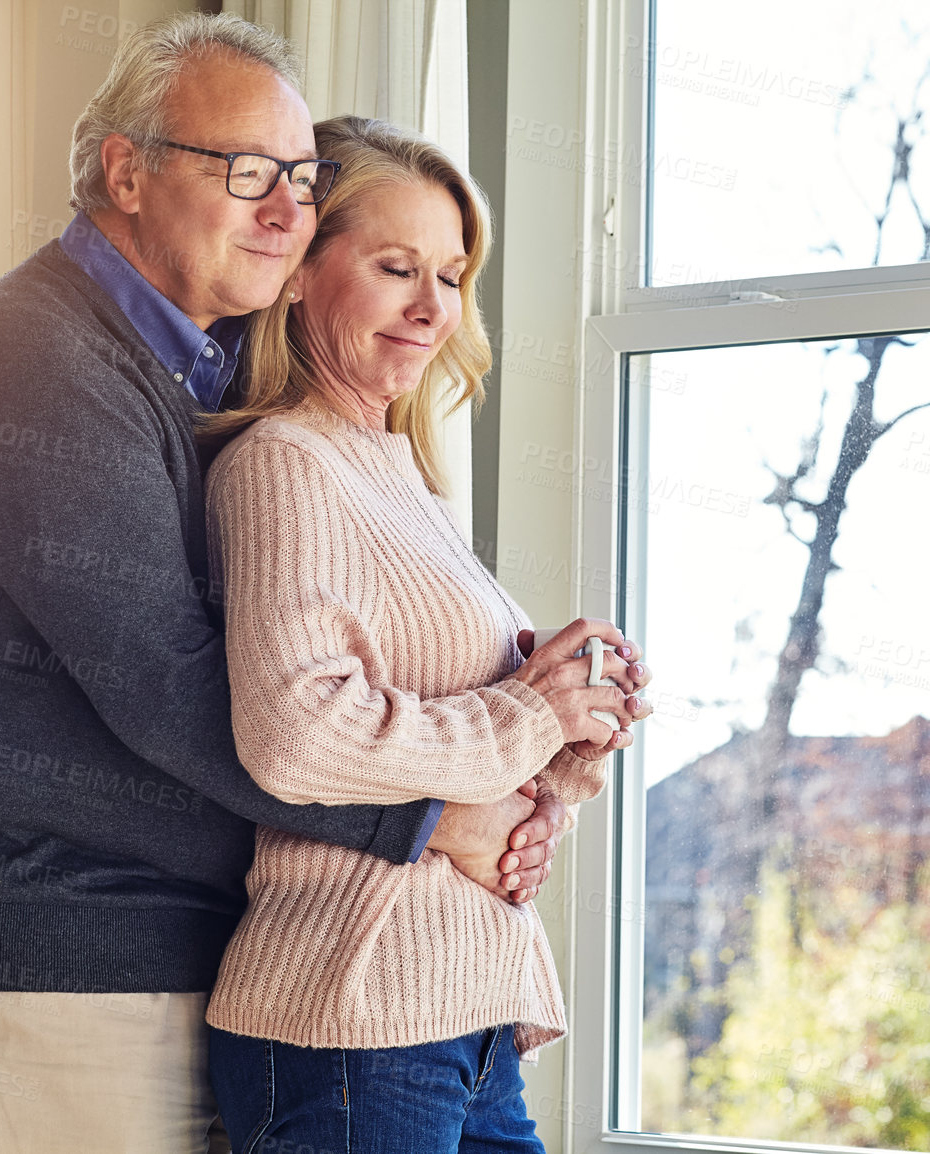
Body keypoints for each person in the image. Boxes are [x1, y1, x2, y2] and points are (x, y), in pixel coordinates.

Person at [0, 16, 568, 1153]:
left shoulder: (214, 374)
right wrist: (434, 816)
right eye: (245, 173)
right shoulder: (38, 362)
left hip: (180, 950)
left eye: (298, 177)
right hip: (46, 957)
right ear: (125, 171)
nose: (284, 209)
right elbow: (180, 691)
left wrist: (521, 765)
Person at [198, 116, 654, 1153]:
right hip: (354, 1019)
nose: (432, 306)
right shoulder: (281, 462)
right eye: (397, 267)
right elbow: (299, 731)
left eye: (450, 274)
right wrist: (528, 710)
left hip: (463, 1017)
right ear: (302, 270)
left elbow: (459, 753)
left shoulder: (401, 472)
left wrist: (559, 755)